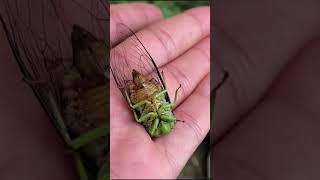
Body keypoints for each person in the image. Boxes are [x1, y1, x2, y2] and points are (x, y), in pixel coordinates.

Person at [110, 3, 210, 179]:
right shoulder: (167, 115)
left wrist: (139, 101)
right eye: (170, 122)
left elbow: (139, 115)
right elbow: (167, 102)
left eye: (162, 126)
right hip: (152, 91)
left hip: (140, 95)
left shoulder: (151, 123)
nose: (164, 124)